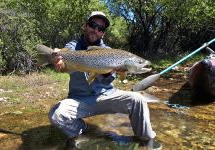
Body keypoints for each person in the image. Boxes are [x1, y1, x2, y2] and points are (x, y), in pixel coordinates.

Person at [48, 11, 160, 149]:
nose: (96, 30)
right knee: (57, 114)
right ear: (85, 25)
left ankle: (146, 139)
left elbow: (107, 82)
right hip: (80, 100)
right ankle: (81, 132)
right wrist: (56, 57)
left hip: (107, 96)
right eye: (93, 25)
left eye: (100, 28)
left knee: (139, 100)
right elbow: (63, 64)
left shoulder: (109, 51)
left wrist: (111, 72)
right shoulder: (73, 46)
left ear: (103, 33)